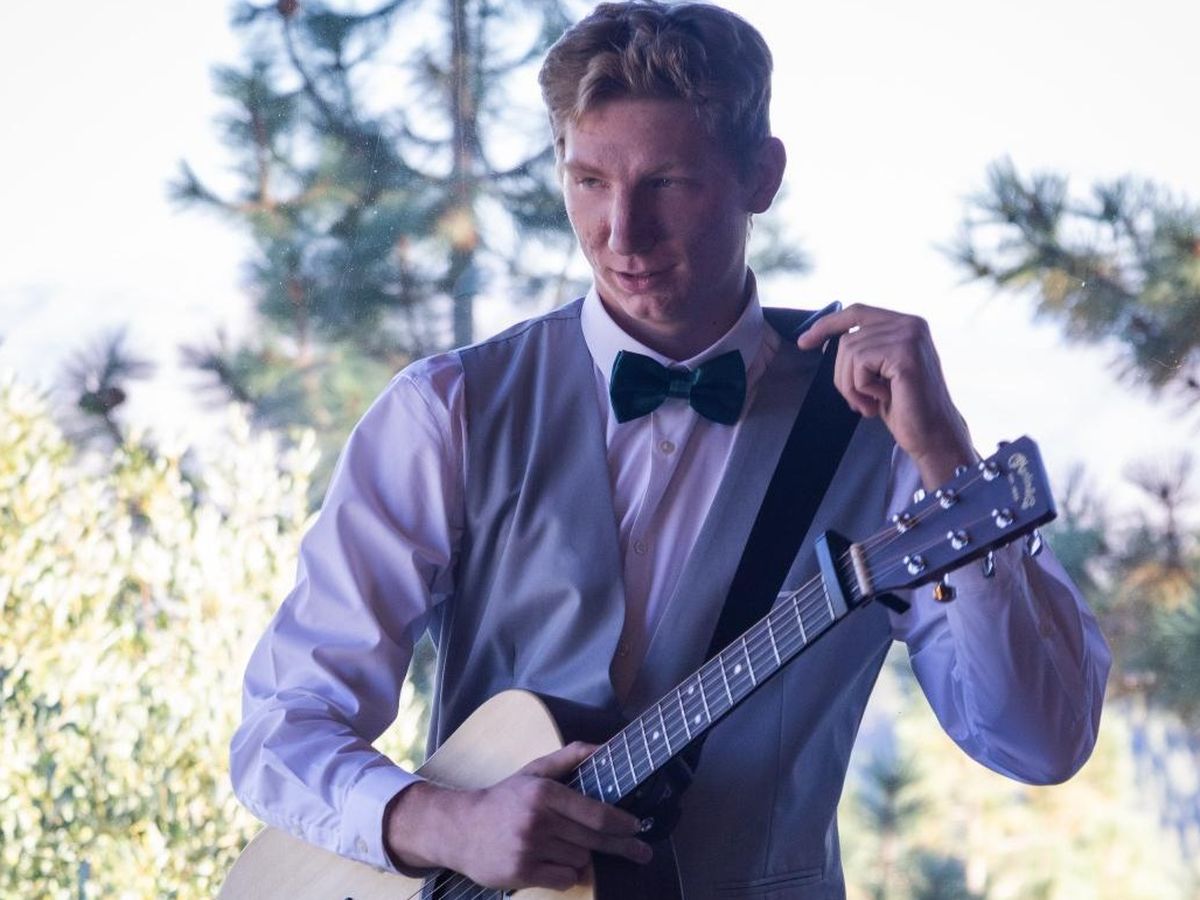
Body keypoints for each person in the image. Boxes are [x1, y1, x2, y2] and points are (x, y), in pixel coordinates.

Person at [230, 1, 1111, 896]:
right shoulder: (448, 410)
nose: (622, 233)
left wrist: (948, 462)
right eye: (588, 182)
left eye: (667, 183)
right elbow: (280, 728)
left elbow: (1041, 745)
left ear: (761, 175)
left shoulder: (877, 431)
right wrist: (443, 823)